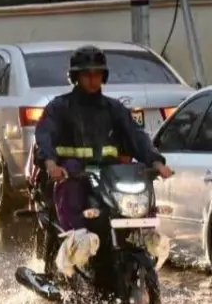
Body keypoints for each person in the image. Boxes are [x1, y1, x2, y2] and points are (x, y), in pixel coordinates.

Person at [33, 45, 174, 233]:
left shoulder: (114, 109)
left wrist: (156, 162)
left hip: (108, 178)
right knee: (71, 182)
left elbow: (136, 135)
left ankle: (146, 236)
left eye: (97, 74)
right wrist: (51, 165)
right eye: (87, 75)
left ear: (103, 76)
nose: (93, 80)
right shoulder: (59, 107)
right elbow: (45, 134)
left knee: (136, 176)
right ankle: (76, 238)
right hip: (74, 175)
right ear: (76, 77)